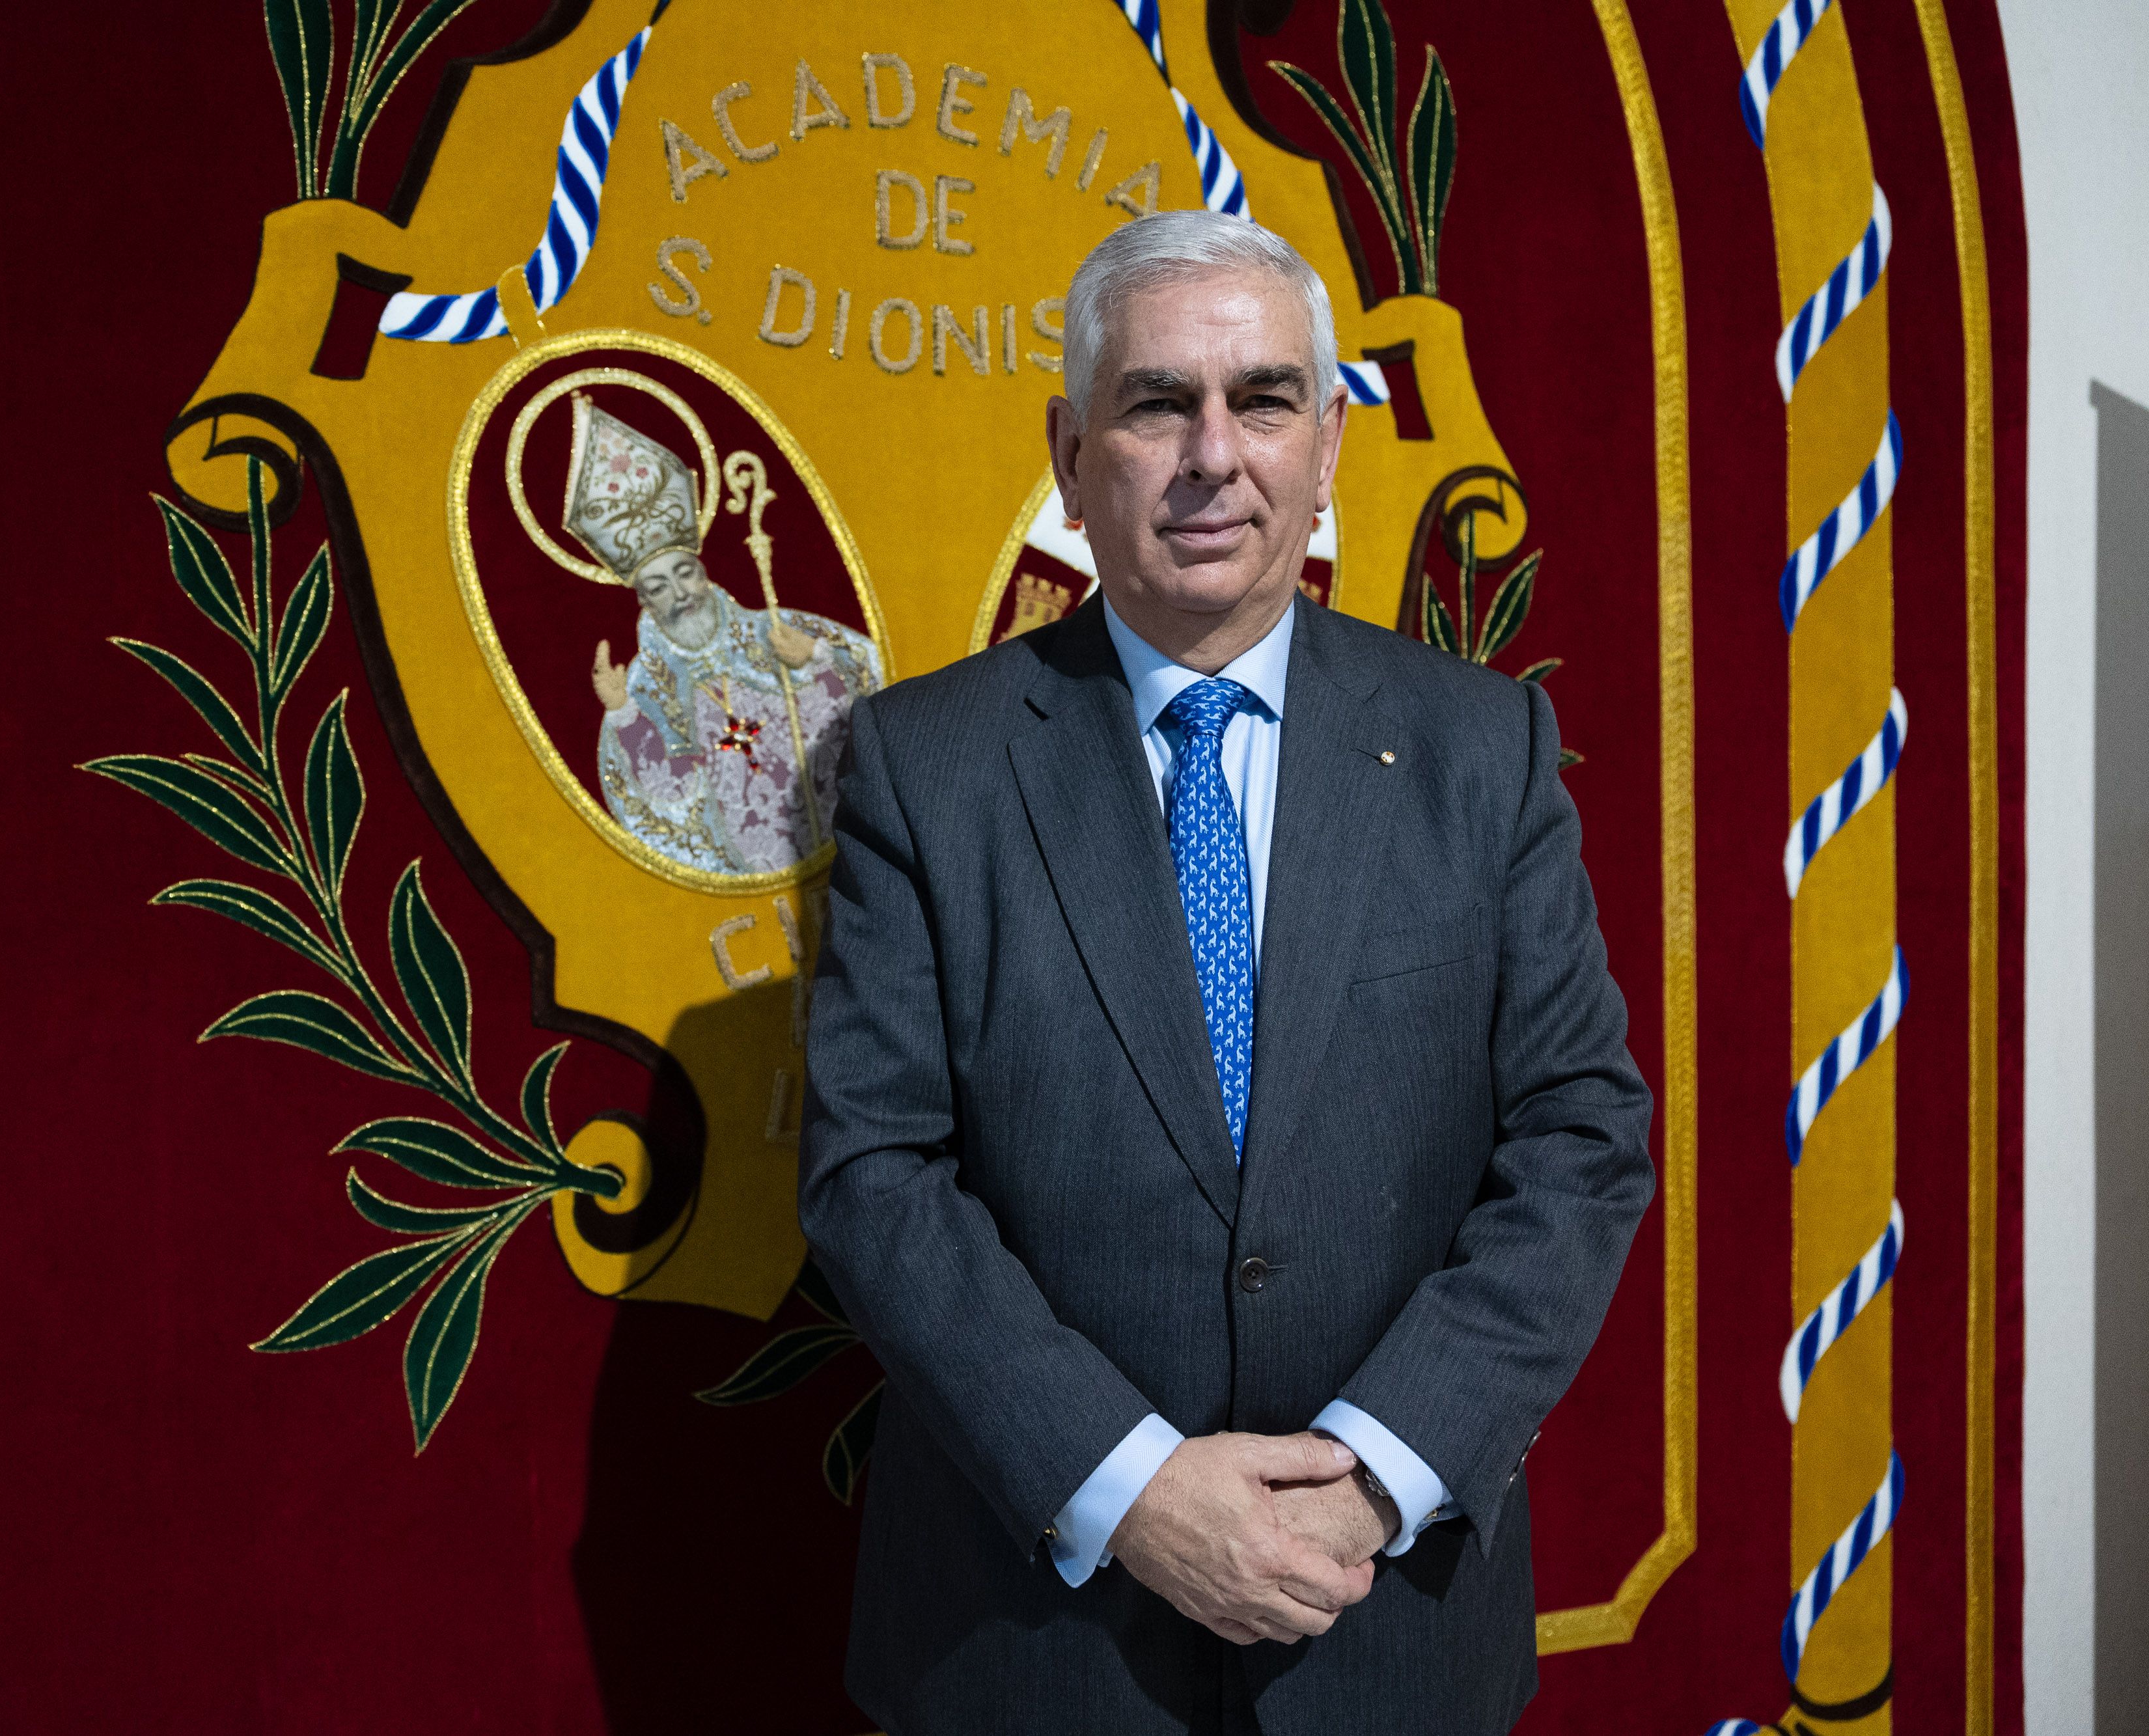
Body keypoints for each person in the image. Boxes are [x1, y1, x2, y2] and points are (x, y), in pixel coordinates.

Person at [797, 210, 1655, 1733]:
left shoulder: (1482, 750)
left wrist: (1372, 1480)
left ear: (1326, 446)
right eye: (1154, 405)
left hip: (1383, 1634)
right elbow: (875, 1176)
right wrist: (1126, 1491)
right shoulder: (923, 769)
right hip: (1031, 1653)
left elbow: (1581, 1149)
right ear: (1070, 456)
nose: (1211, 454)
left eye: (1261, 400)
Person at [562, 399, 883, 875]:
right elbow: (667, 800)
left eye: (685, 573)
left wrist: (817, 660)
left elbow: (872, 703)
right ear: (645, 603)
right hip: (747, 863)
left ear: (704, 571)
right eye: (658, 588)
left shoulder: (774, 630)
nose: (680, 593)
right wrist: (624, 714)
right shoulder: (645, 688)